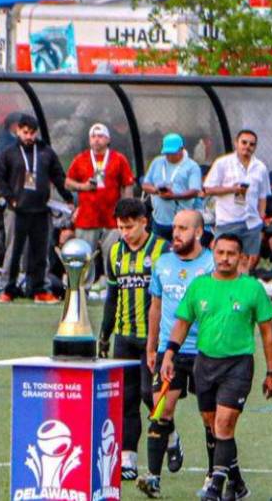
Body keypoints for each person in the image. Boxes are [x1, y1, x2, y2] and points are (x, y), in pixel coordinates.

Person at [161, 232, 272, 501]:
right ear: (213, 254)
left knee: (224, 425)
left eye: (231, 254)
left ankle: (215, 485)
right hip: (205, 363)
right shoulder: (199, 286)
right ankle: (237, 484)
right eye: (220, 253)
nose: (225, 258)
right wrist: (169, 354)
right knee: (212, 425)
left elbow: (267, 333)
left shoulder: (252, 288)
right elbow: (182, 322)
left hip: (238, 365)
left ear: (242, 258)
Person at [140, 209, 216, 498]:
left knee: (210, 417)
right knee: (160, 411)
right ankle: (154, 478)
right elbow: (156, 307)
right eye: (175, 227)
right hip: (169, 351)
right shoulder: (163, 263)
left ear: (198, 232)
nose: (176, 233)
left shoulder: (211, 263)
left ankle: (212, 475)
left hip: (205, 351)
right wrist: (152, 346)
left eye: (183, 228)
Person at [98, 198, 169, 482]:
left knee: (148, 394)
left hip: (153, 337)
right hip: (125, 338)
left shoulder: (162, 250)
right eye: (120, 227)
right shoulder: (115, 252)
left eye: (129, 227)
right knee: (125, 399)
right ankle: (128, 458)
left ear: (144, 222)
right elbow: (112, 296)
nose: (124, 233)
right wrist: (105, 334)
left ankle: (170, 432)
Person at [0, 115, 71, 303]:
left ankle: (39, 289)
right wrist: (10, 199)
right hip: (17, 210)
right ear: (18, 131)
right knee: (14, 250)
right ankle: (7, 289)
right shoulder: (8, 153)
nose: (28, 136)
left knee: (40, 252)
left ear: (36, 132)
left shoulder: (46, 152)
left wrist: (69, 198)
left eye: (32, 133)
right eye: (25, 132)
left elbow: (59, 177)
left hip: (41, 210)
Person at [65, 123, 136, 281]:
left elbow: (127, 184)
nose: (97, 140)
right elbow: (68, 182)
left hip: (112, 215)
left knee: (112, 252)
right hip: (87, 215)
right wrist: (82, 186)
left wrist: (127, 209)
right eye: (93, 137)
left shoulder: (118, 159)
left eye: (101, 136)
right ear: (89, 140)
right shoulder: (81, 159)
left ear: (108, 139)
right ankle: (84, 286)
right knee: (85, 252)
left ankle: (111, 284)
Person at [203, 129, 270, 273]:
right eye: (244, 142)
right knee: (223, 259)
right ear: (236, 143)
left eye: (251, 144)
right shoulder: (222, 163)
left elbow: (263, 195)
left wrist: (261, 217)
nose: (247, 147)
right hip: (228, 221)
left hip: (251, 222)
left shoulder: (260, 167)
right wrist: (231, 189)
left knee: (247, 260)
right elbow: (208, 189)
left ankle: (242, 290)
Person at [141, 133, 204, 242]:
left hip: (182, 221)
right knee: (158, 251)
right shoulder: (157, 162)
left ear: (181, 149)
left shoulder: (192, 166)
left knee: (181, 249)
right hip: (159, 220)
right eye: (167, 153)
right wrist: (156, 190)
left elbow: (195, 191)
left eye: (173, 153)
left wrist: (174, 196)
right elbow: (145, 185)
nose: (169, 156)